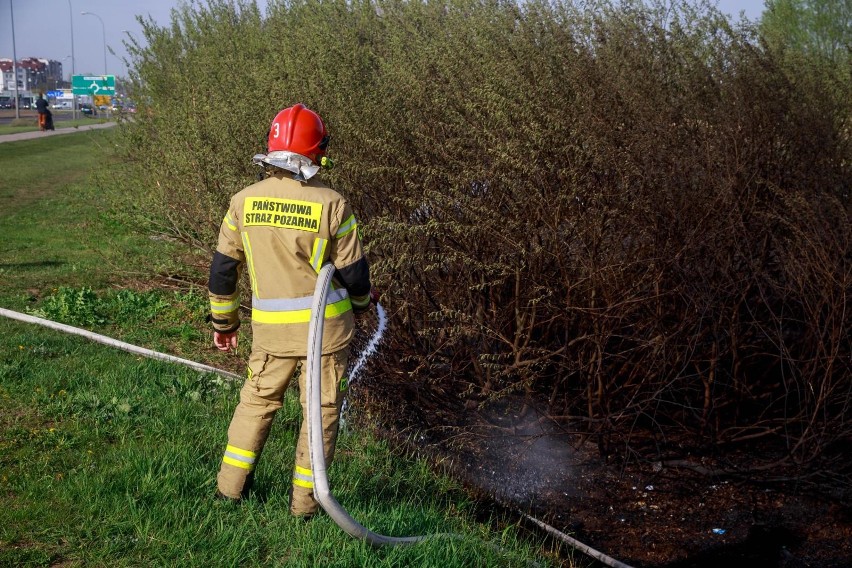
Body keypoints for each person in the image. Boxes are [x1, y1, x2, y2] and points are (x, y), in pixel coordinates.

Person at [208, 103, 374, 518]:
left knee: (255, 404)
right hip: (327, 335)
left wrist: (224, 323)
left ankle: (229, 491)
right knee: (320, 414)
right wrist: (363, 307)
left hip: (270, 335)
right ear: (315, 152)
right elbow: (355, 273)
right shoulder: (332, 203)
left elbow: (222, 272)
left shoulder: (242, 202)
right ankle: (304, 507)